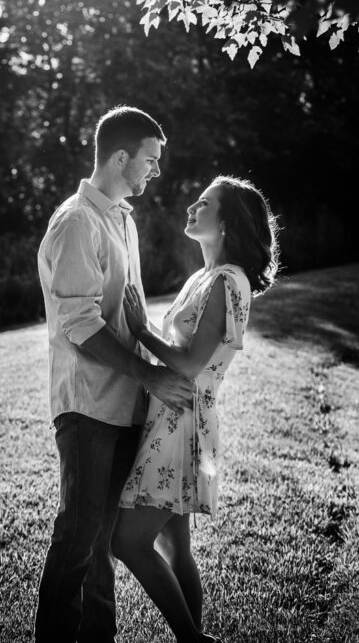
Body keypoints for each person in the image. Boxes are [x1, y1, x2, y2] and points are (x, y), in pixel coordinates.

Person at [34, 105, 194, 643]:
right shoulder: (77, 222)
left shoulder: (121, 217)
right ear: (120, 157)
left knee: (101, 542)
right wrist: (147, 376)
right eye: (149, 160)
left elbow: (126, 315)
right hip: (87, 406)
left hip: (124, 403)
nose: (154, 171)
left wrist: (149, 362)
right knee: (78, 538)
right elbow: (81, 324)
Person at [113, 175, 279, 643]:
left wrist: (141, 331)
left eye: (204, 203)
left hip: (183, 422)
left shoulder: (228, 282)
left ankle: (193, 640)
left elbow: (189, 362)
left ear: (225, 222)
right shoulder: (206, 278)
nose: (192, 206)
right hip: (174, 416)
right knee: (173, 544)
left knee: (125, 540)